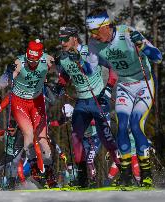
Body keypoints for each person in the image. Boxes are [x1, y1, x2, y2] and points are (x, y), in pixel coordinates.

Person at [85, 7, 162, 187]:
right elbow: (90, 69)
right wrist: (81, 62)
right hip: (124, 86)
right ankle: (126, 175)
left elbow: (157, 57)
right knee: (122, 127)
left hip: (143, 83)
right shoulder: (94, 44)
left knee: (136, 125)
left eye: (96, 31)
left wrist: (142, 45)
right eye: (91, 32)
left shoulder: (127, 33)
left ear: (106, 26)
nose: (94, 36)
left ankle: (146, 174)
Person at [53, 26, 120, 188]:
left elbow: (113, 67)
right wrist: (59, 86)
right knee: (76, 137)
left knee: (106, 138)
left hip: (98, 100)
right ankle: (82, 177)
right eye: (60, 39)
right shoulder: (63, 58)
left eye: (65, 39)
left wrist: (109, 88)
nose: (62, 43)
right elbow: (66, 74)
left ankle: (125, 171)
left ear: (75, 38)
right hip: (82, 102)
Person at [0, 39, 58, 188]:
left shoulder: (47, 60)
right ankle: (34, 169)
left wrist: (59, 64)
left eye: (35, 60)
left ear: (40, 56)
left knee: (43, 138)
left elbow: (60, 69)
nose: (31, 63)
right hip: (20, 103)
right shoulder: (20, 63)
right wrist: (7, 72)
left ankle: (49, 172)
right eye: (29, 59)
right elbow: (1, 84)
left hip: (37, 102)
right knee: (29, 135)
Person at [50, 103, 101, 187]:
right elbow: (60, 122)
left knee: (89, 160)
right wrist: (48, 123)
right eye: (68, 118)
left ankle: (93, 179)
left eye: (70, 117)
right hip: (84, 139)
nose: (70, 119)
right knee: (81, 159)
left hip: (94, 137)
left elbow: (95, 121)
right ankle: (83, 179)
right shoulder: (70, 116)